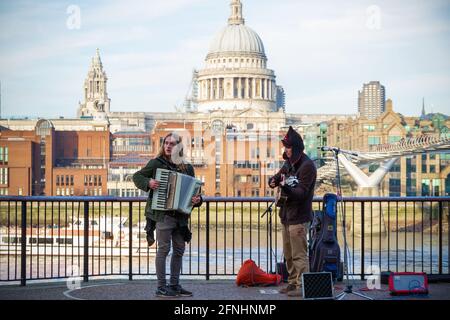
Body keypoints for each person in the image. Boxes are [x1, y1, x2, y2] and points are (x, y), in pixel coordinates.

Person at [133, 132, 203, 298]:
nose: (168, 146)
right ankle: (161, 287)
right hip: (162, 214)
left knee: (179, 250)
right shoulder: (156, 164)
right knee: (163, 249)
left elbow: (195, 192)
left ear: (178, 147)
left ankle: (174, 285)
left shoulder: (187, 168)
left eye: (172, 144)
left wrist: (197, 199)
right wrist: (148, 182)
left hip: (180, 216)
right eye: (166, 143)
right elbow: (137, 176)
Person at [269, 126, 317, 297]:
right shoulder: (289, 164)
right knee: (288, 255)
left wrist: (285, 187)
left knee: (299, 255)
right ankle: (292, 283)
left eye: (288, 148)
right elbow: (277, 177)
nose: (286, 151)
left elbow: (301, 193)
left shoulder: (307, 166)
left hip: (299, 217)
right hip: (286, 216)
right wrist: (273, 181)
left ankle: (302, 287)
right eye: (285, 147)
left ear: (296, 148)